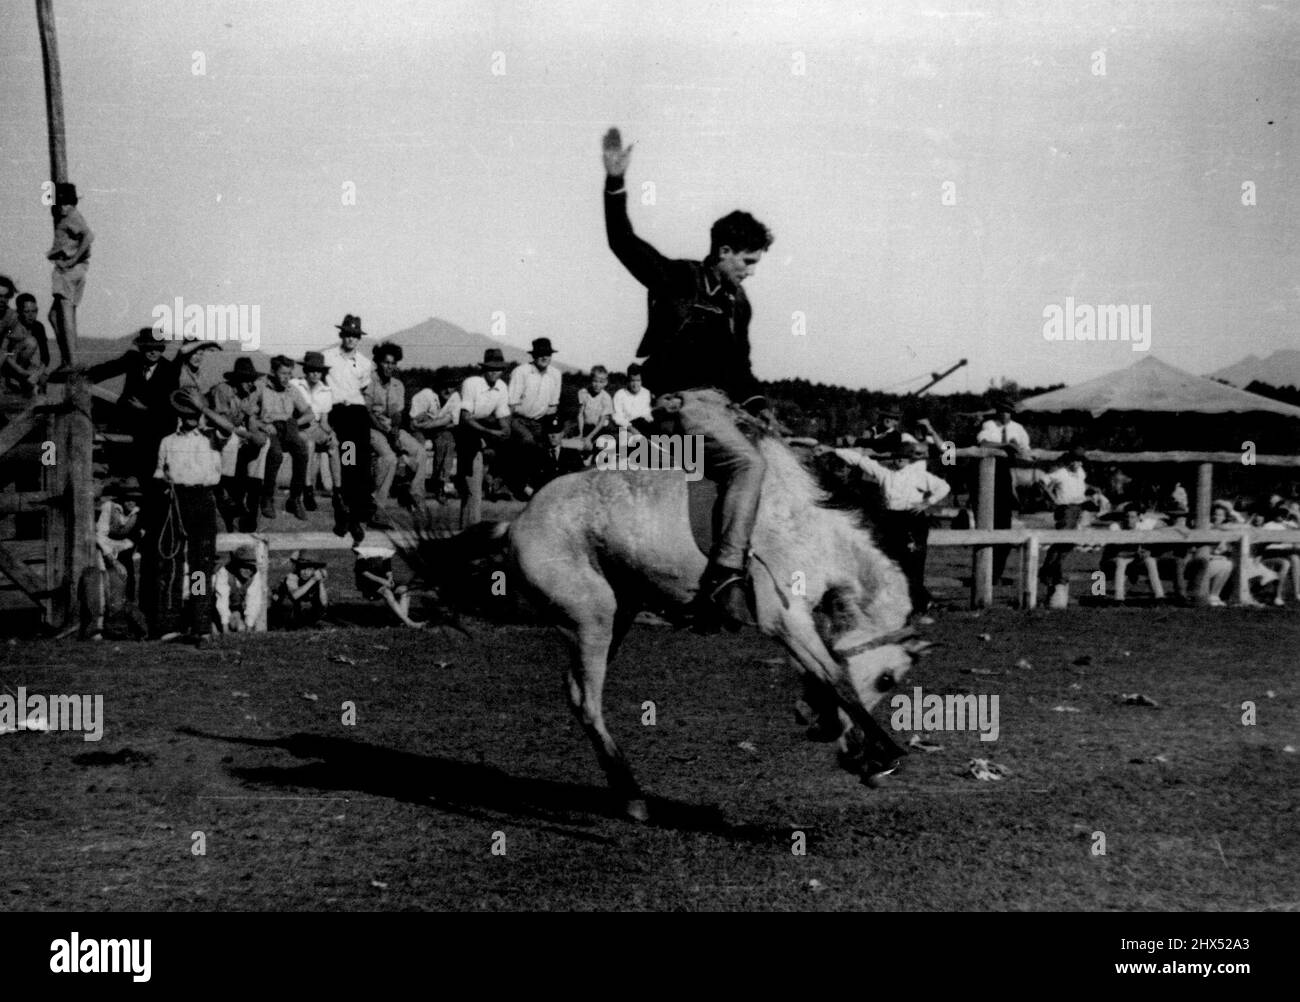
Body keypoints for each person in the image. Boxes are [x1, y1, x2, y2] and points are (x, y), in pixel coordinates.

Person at [602, 125, 775, 629]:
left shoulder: (739, 304)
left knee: (780, 463)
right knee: (749, 466)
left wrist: (760, 403)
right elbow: (623, 242)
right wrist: (615, 185)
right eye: (747, 261)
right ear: (723, 250)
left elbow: (739, 370)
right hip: (681, 407)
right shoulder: (676, 277)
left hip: (722, 407)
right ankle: (725, 572)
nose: (751, 271)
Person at [818, 439, 951, 620]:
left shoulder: (919, 475)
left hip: (912, 518)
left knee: (913, 563)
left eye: (903, 459)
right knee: (892, 561)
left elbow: (943, 487)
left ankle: (919, 604)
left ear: (909, 460)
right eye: (896, 458)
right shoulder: (886, 474)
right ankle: (898, 603)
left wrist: (927, 502)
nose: (898, 461)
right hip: (891, 519)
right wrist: (833, 449)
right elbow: (861, 461)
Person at [146, 388, 236, 644]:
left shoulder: (212, 437)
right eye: (186, 412)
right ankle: (169, 626)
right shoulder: (168, 441)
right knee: (171, 564)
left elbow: (229, 428)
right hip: (174, 501)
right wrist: (164, 486)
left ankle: (201, 625)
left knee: (201, 564)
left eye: (195, 412)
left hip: (204, 500)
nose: (191, 417)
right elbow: (158, 473)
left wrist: (204, 408)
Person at [323, 314, 374, 542]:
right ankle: (345, 511)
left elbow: (362, 390)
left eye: (355, 335)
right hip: (337, 411)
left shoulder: (364, 363)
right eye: (348, 334)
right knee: (349, 455)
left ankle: (355, 513)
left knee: (361, 457)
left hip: (357, 412)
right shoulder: (328, 357)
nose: (351, 339)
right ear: (341, 335)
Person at [975, 393, 1031, 584]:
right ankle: (984, 574)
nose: (1005, 414)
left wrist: (1016, 449)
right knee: (986, 522)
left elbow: (1025, 449)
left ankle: (996, 573)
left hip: (1007, 472)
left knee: (1004, 525)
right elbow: (983, 442)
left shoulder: (1018, 428)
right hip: (988, 473)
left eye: (1008, 411)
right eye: (1002, 411)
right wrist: (1005, 444)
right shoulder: (989, 425)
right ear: (997, 411)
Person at [366, 342, 425, 521]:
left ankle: (415, 496)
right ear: (378, 362)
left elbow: (398, 412)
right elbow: (366, 411)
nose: (389, 366)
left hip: (391, 427)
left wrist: (395, 429)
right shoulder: (368, 381)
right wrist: (384, 429)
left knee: (419, 452)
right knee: (389, 458)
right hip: (371, 427)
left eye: (393, 363)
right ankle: (377, 505)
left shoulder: (398, 385)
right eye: (386, 362)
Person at [206, 356, 265, 532]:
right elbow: (222, 424)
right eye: (245, 380)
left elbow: (250, 421)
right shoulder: (222, 390)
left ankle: (255, 482)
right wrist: (247, 433)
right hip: (213, 430)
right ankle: (225, 485)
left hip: (236, 430)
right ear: (236, 379)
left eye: (251, 380)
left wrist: (255, 433)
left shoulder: (251, 392)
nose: (249, 384)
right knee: (231, 441)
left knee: (264, 442)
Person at [455, 349, 512, 527]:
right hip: (463, 428)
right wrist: (489, 432)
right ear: (484, 368)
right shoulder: (472, 383)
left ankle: (498, 481)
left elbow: (503, 416)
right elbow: (465, 417)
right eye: (490, 368)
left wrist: (505, 430)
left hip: (483, 429)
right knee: (472, 483)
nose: (494, 372)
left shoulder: (502, 386)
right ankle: (469, 527)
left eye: (498, 369)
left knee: (513, 445)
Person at [254, 355, 313, 521]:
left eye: (289, 374)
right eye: (283, 373)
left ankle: (294, 499)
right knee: (275, 454)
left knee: (302, 451)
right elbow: (249, 414)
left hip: (288, 429)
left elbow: (310, 414)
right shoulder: (260, 386)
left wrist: (295, 422)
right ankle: (267, 497)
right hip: (269, 429)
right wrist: (262, 425)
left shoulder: (292, 390)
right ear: (273, 371)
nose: (287, 378)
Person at [506, 337, 562, 499]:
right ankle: (521, 486)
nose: (544, 358)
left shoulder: (555, 374)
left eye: (548, 354)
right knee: (528, 442)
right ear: (534, 355)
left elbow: (553, 406)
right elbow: (511, 404)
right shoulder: (521, 372)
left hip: (540, 421)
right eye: (540, 354)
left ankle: (540, 488)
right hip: (518, 419)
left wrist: (550, 430)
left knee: (547, 448)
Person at [47, 182, 93, 370]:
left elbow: (89, 236)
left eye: (67, 203)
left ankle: (72, 361)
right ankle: (68, 358)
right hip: (71, 269)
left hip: (69, 270)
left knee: (65, 314)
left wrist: (73, 259)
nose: (64, 207)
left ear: (73, 203)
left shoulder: (73, 217)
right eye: (61, 203)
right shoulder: (65, 215)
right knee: (54, 315)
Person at [1040, 446, 1089, 609]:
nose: (1076, 464)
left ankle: (1052, 574)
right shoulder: (1061, 473)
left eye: (1079, 461)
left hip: (1078, 508)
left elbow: (1080, 489)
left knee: (1069, 544)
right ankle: (1050, 571)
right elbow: (1043, 481)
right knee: (1063, 542)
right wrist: (1053, 498)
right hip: (1065, 508)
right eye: (1074, 460)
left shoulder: (1081, 473)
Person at [290, 351, 340, 512]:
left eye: (318, 371)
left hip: (316, 427)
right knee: (309, 444)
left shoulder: (325, 390)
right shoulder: (295, 385)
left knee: (340, 445)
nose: (315, 374)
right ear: (305, 371)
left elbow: (324, 421)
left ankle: (339, 490)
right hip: (298, 427)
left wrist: (331, 433)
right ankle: (308, 490)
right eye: (311, 370)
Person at [408, 371, 461, 499]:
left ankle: (440, 483)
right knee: (418, 445)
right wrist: (432, 423)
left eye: (452, 386)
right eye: (445, 386)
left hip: (436, 428)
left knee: (447, 440)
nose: (448, 390)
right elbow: (414, 423)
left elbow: (451, 422)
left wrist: (431, 423)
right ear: (438, 386)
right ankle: (415, 485)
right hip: (418, 429)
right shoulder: (426, 395)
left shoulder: (455, 397)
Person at [353, 545, 424, 628]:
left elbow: (388, 569)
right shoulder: (364, 552)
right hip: (368, 583)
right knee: (387, 592)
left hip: (383, 581)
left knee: (404, 590)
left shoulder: (385, 551)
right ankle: (409, 622)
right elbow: (363, 571)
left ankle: (401, 621)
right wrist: (382, 581)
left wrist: (390, 578)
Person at [212, 545, 266, 633]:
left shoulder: (255, 575)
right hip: (214, 606)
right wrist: (225, 628)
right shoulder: (224, 572)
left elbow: (253, 602)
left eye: (251, 567)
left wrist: (249, 627)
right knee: (214, 632)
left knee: (241, 627)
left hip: (235, 607)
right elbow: (222, 600)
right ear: (236, 564)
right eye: (244, 566)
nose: (248, 570)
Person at [273, 551, 329, 627]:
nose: (305, 572)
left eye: (309, 569)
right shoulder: (292, 577)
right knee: (288, 604)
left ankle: (309, 621)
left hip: (301, 609)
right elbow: (295, 595)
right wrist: (313, 580)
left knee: (318, 605)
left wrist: (320, 582)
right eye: (303, 568)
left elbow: (324, 603)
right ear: (298, 568)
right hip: (284, 610)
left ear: (315, 570)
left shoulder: (314, 578)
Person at [576, 365, 615, 455]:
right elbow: (580, 414)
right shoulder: (583, 393)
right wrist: (581, 433)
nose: (597, 385)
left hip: (600, 429)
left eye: (601, 382)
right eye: (595, 381)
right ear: (591, 380)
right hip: (586, 427)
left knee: (597, 446)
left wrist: (589, 437)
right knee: (579, 445)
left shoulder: (606, 398)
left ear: (606, 382)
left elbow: (602, 421)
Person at [611, 363, 655, 441]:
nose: (635, 384)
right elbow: (617, 417)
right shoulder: (620, 394)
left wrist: (650, 419)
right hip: (626, 426)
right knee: (632, 439)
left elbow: (647, 413)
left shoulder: (646, 393)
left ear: (641, 380)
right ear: (627, 381)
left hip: (643, 425)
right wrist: (631, 429)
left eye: (638, 380)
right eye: (632, 381)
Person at [15, 292, 53, 370]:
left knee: (42, 379)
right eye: (27, 311)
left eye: (34, 311)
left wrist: (38, 374)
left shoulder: (38, 327)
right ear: (19, 312)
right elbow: (5, 352)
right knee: (31, 342)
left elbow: (45, 355)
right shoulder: (11, 325)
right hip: (9, 361)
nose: (31, 315)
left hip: (24, 363)